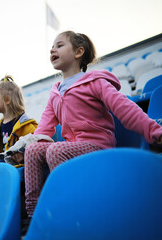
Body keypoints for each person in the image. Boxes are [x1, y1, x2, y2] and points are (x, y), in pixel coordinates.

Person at [11, 31, 162, 221]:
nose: (52, 49)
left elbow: (125, 109)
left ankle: (73, 205)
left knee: (55, 151)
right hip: (71, 148)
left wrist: (155, 131)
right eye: (52, 47)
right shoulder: (55, 93)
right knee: (34, 149)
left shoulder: (96, 82)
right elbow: (43, 131)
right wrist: (24, 148)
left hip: (97, 146)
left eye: (59, 45)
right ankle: (35, 214)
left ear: (78, 52)